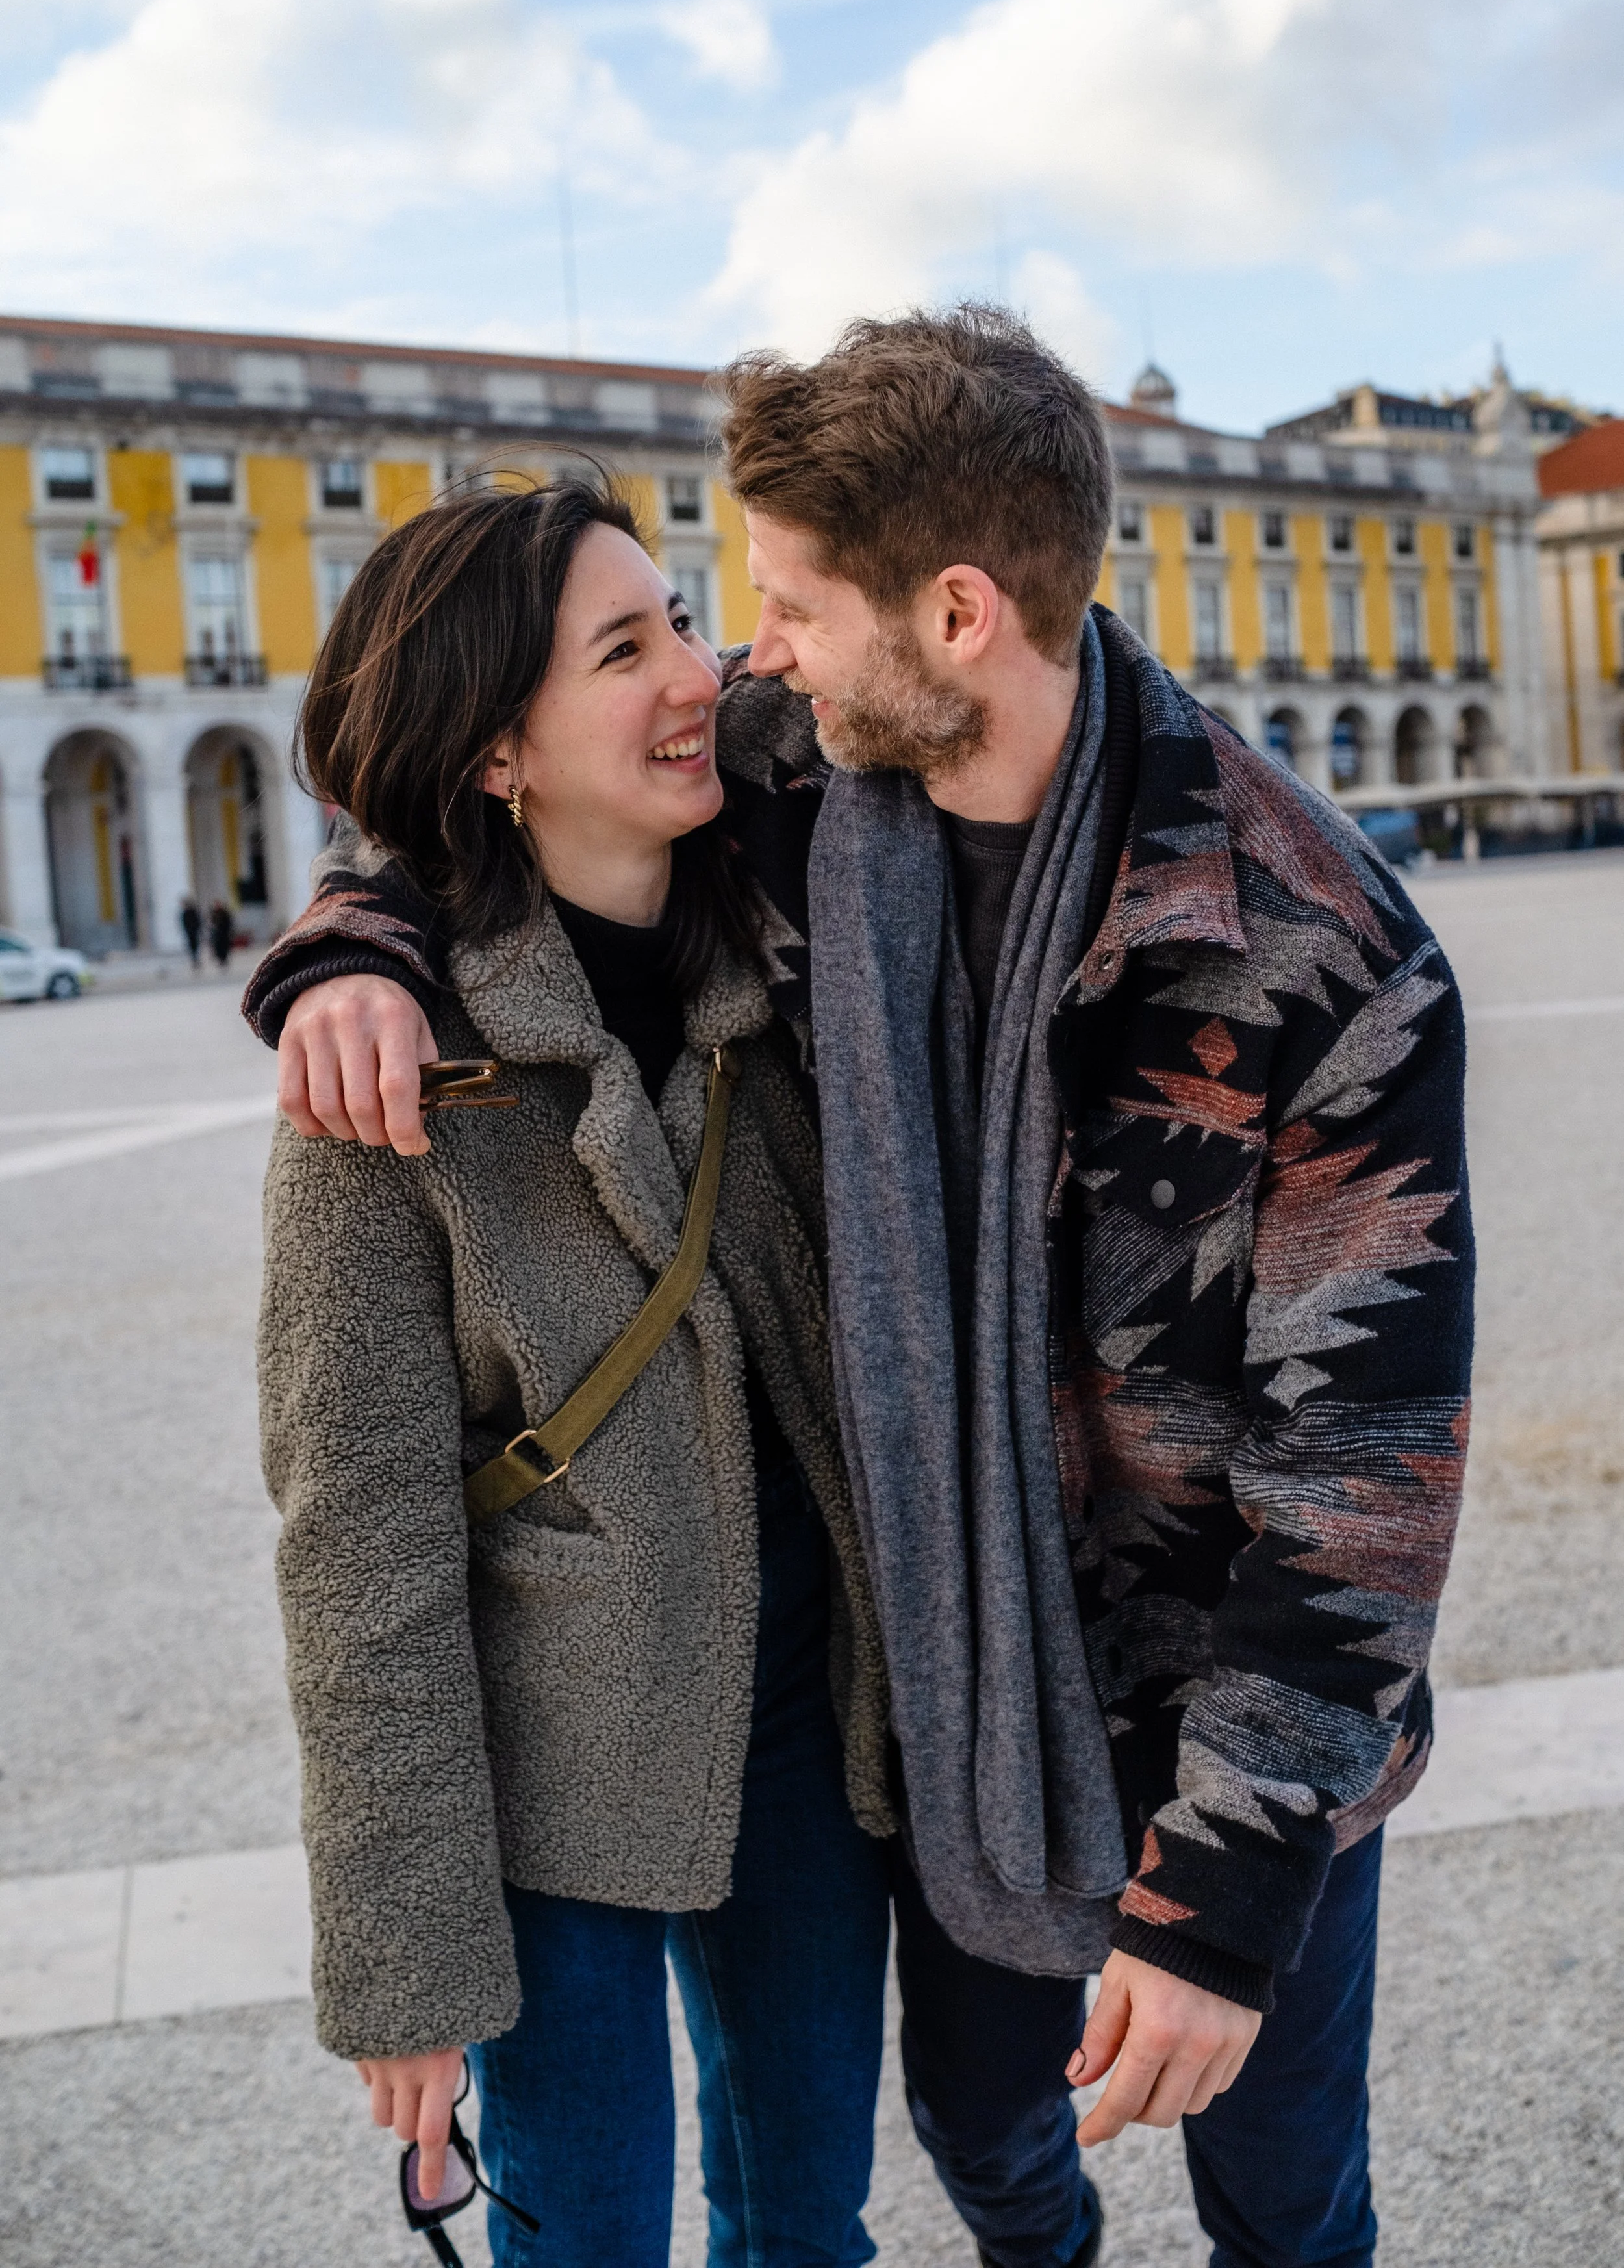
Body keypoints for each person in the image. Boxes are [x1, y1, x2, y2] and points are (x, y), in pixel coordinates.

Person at [247, 308, 1473, 2268]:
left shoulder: (1315, 948)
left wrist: (1223, 1896)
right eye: (708, 619)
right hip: (941, 1698)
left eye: (784, 606)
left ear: (959, 614)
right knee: (985, 2152)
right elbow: (474, 792)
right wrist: (349, 954)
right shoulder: (799, 781)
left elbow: (1366, 1470)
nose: (746, 656)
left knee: (1282, 2189)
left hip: (1226, 1687)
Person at [256, 478, 894, 2268]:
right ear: (493, 751)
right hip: (549, 1793)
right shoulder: (378, 1086)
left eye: (681, 617)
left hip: (799, 1742)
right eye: (625, 649)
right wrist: (403, 1959)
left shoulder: (769, 953)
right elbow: (356, 1547)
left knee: (807, 2226)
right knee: (588, 2240)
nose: (695, 671)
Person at [208, 900, 234, 969]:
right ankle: (220, 959)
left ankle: (224, 959)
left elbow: (229, 922)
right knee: (218, 947)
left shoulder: (224, 913)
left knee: (225, 947)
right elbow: (211, 923)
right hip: (217, 934)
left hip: (224, 933)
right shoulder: (213, 913)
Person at [179, 896, 203, 968]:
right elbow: (184, 923)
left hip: (194, 932)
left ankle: (196, 959)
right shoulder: (185, 913)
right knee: (192, 946)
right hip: (189, 932)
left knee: (195, 946)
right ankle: (194, 959)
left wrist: (197, 929)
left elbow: (198, 921)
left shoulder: (193, 912)